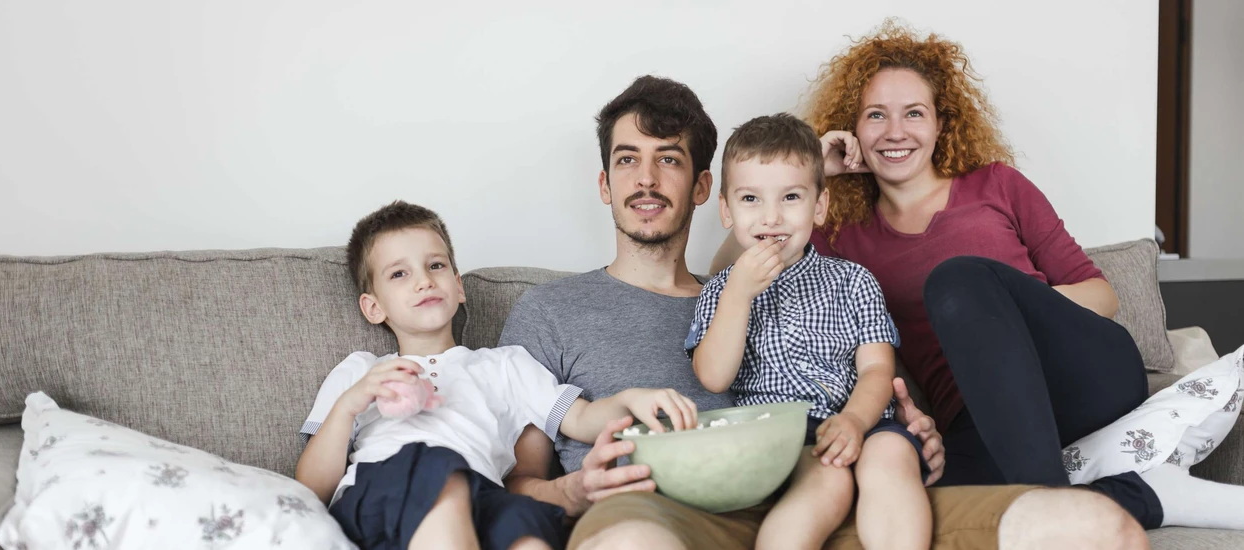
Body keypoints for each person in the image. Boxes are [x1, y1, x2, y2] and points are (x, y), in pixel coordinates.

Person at [502, 75, 1147, 550]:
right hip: (668, 518)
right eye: (627, 160)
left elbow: (870, 360)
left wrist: (906, 429)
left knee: (1100, 530)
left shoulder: (770, 282)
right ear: (604, 183)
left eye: (668, 159)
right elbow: (514, 482)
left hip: (839, 490)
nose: (646, 179)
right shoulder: (552, 310)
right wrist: (571, 493)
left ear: (702, 191)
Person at [713, 19, 1242, 532]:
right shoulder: (841, 231)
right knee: (932, 502)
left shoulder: (997, 186)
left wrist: (1007, 308)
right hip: (981, 418)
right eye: (875, 115)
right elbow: (728, 271)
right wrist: (810, 170)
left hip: (1084, 376)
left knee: (957, 281)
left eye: (914, 113)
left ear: (941, 123)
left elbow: (1102, 296)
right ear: (853, 127)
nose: (895, 132)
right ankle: (1140, 495)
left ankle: (1055, 517)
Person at [294, 200, 700, 550]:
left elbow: (580, 419)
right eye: (399, 274)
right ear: (373, 308)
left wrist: (629, 400)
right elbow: (312, 486)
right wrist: (349, 406)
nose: (423, 281)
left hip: (482, 496)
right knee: (441, 470)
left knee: (525, 524)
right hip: (380, 494)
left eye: (435, 265)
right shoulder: (360, 370)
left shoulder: (505, 365)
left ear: (458, 285)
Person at [689, 113, 930, 549]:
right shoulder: (721, 290)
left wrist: (855, 421)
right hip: (780, 436)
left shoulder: (853, 281)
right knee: (828, 477)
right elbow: (713, 376)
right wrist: (738, 295)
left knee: (892, 454)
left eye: (791, 197)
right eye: (750, 199)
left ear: (818, 207)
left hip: (863, 419)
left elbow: (877, 370)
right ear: (726, 210)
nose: (771, 217)